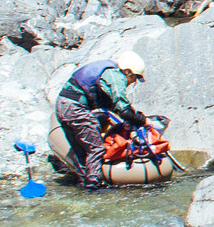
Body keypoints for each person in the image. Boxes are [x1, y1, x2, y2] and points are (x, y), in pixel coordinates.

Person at [56, 50, 149, 190]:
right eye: (134, 78)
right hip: (75, 108)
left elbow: (112, 105)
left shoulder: (107, 71)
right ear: (128, 72)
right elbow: (123, 109)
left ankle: (82, 183)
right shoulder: (116, 75)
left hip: (62, 105)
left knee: (80, 150)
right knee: (96, 148)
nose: (133, 82)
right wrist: (139, 119)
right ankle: (93, 185)